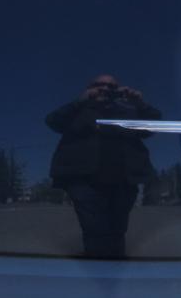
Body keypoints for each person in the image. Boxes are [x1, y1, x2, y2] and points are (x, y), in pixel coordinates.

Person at [45, 75, 161, 258]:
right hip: (82, 179)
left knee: (118, 229)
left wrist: (139, 103)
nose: (105, 89)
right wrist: (79, 101)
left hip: (124, 179)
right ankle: (96, 266)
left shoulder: (127, 110)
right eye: (100, 86)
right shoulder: (78, 111)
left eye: (111, 86)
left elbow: (156, 124)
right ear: (89, 88)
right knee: (92, 228)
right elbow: (52, 121)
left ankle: (114, 265)